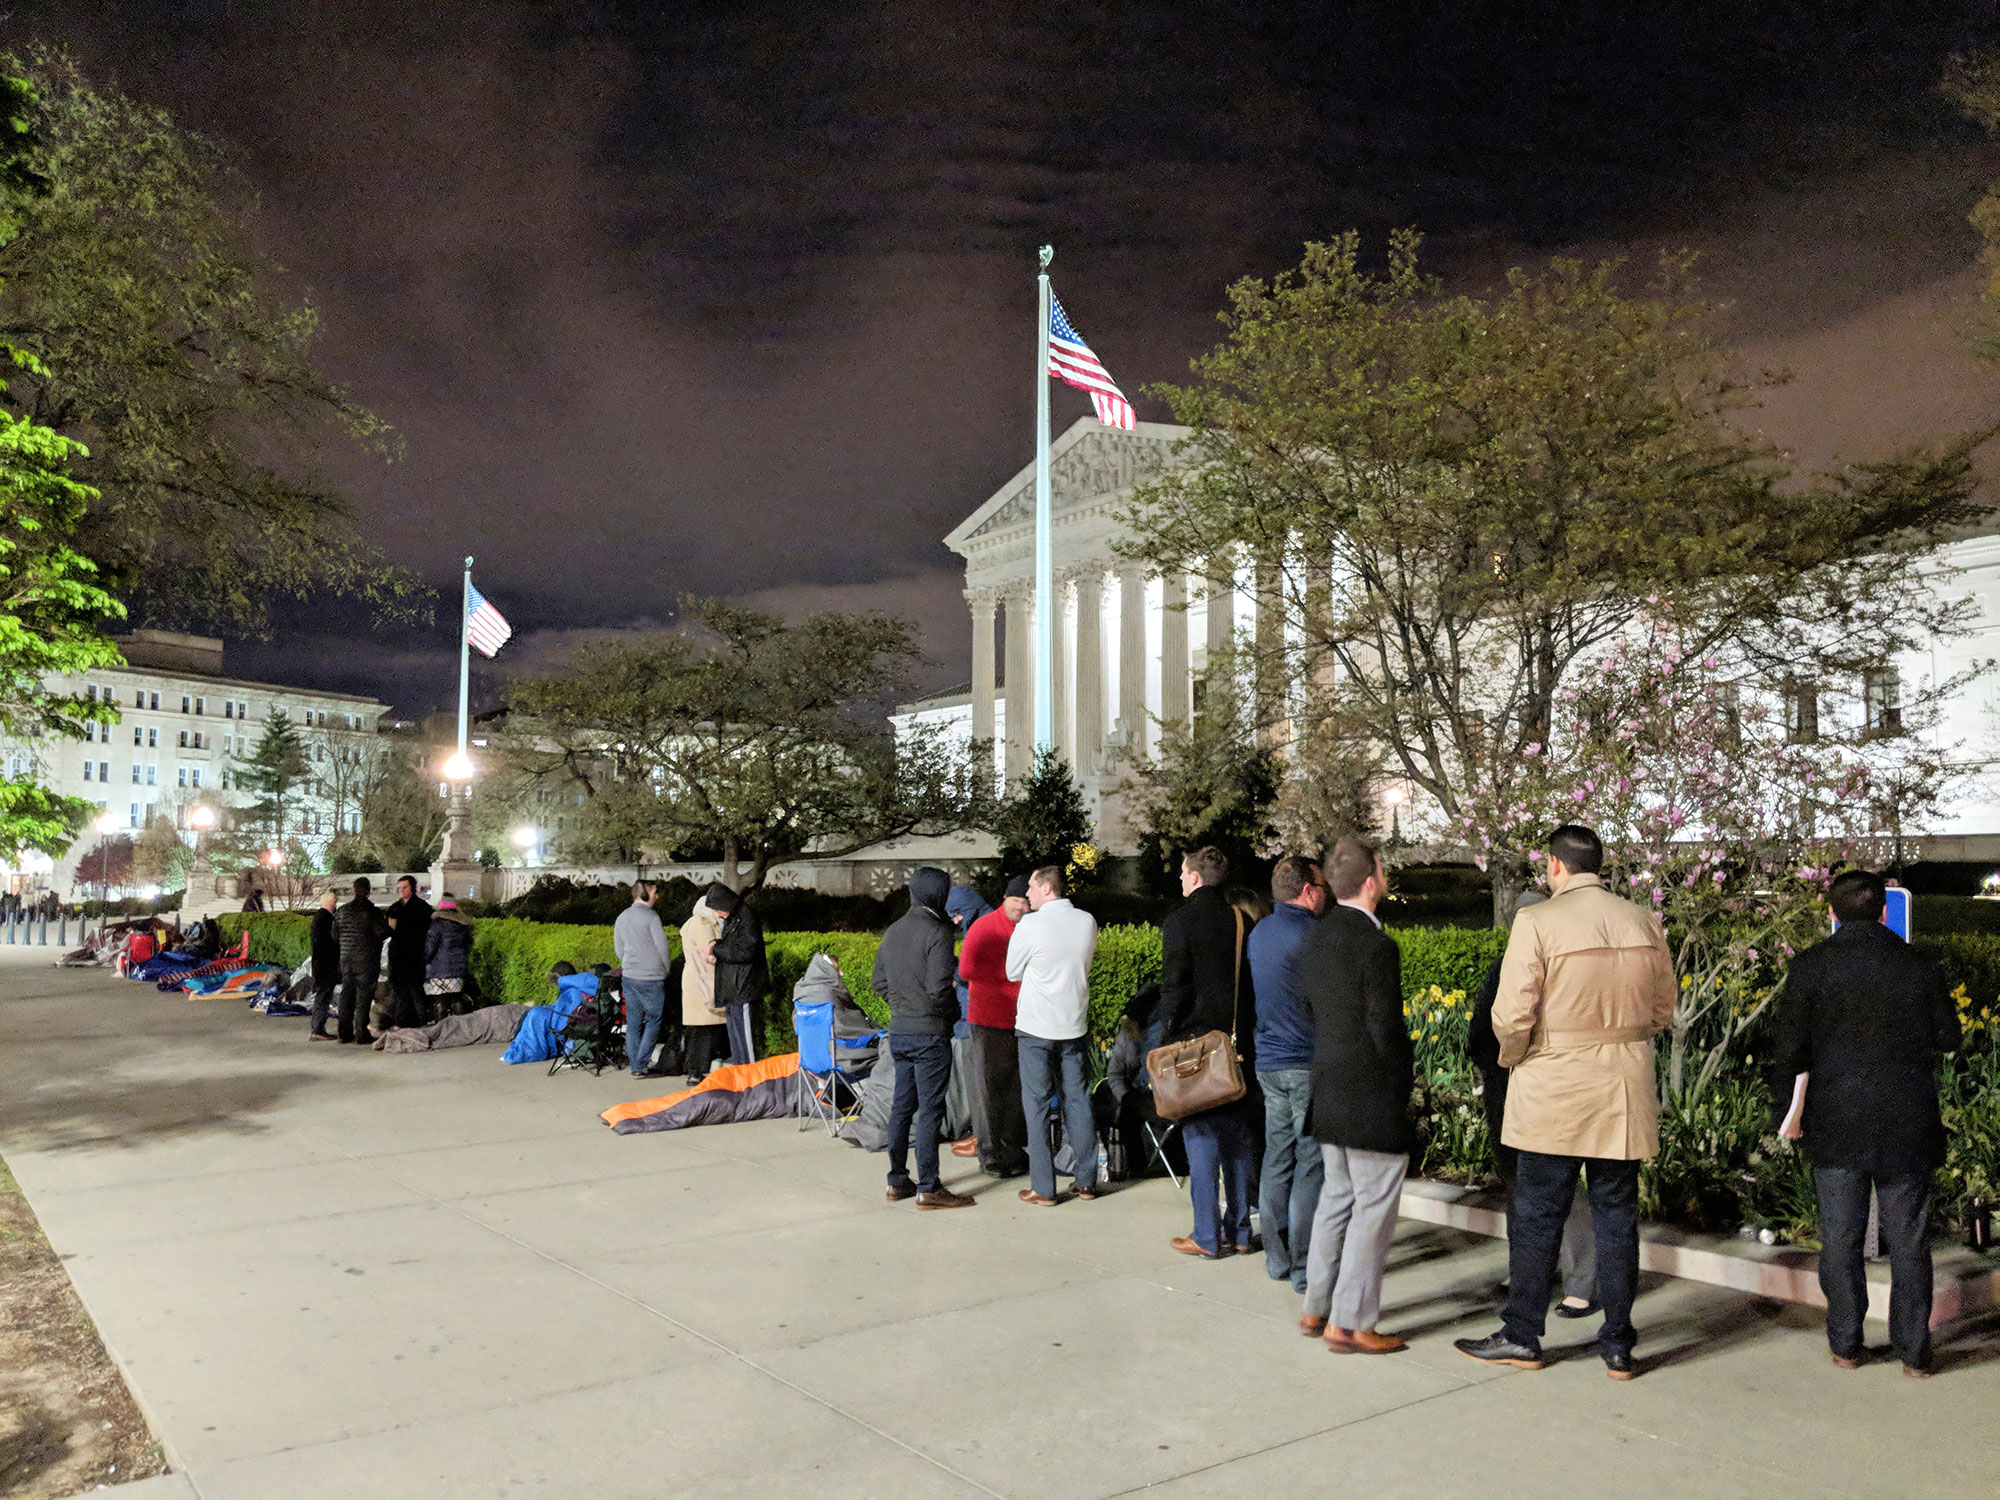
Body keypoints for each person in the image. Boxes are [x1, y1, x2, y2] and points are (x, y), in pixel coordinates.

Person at [1456, 824, 1677, 1381]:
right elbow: (1662, 1009)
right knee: (1617, 1216)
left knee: (1537, 1216)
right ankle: (1619, 1344)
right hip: (1622, 1086)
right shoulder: (1643, 921)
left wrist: (1516, 1057)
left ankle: (1522, 1334)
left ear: (1555, 866)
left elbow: (1509, 1016)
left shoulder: (1536, 921)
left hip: (1553, 1084)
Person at [1772, 869, 1959, 1376]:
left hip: (1835, 1118)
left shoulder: (1811, 967)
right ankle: (1915, 1353)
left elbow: (1788, 1049)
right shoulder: (1918, 965)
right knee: (1909, 1240)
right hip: (1907, 1118)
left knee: (1840, 1238)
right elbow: (1949, 1037)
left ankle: (1846, 1344)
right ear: (1882, 911)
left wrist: (1782, 1112)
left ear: (1831, 911)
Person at [1297, 836, 1411, 1354]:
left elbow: (1308, 1010)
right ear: (1371, 881)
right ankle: (1351, 1322)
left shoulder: (1315, 938)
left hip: (1327, 1084)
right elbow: (1384, 1028)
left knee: (1337, 1198)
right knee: (1374, 1206)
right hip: (1369, 1091)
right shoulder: (1377, 946)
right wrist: (1404, 1083)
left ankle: (1316, 1306)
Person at [1469, 888, 1599, 1317]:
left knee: (1560, 1185)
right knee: (1521, 1186)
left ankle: (1578, 1279)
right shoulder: (1501, 971)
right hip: (1509, 1094)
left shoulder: (1566, 972)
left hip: (1549, 1092)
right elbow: (1481, 1037)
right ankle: (1531, 1274)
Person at [1161, 845, 1260, 1259]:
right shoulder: (1241, 921)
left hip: (1194, 1046)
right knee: (1237, 1138)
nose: (1181, 880)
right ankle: (1239, 1231)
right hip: (1236, 1045)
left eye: (1184, 874)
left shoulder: (1179, 922)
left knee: (1200, 1138)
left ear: (1196, 877)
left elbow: (1175, 987)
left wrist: (1167, 1033)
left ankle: (1206, 1234)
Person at [871, 866, 976, 1209]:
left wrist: (902, 1006)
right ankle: (929, 1186)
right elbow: (938, 990)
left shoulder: (893, 931)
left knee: (902, 1106)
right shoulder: (938, 931)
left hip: (900, 1031)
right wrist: (951, 1014)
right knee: (930, 1111)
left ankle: (897, 1180)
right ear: (941, 894)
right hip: (930, 1034)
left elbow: (879, 983)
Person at [1248, 854, 1326, 1291]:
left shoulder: (1260, 933)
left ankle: (1277, 1260)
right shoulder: (1314, 936)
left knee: (1277, 1158)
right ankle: (1304, 1266)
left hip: (1269, 1062)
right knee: (1311, 1164)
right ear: (1308, 890)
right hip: (1305, 1062)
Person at [1006, 864, 1101, 1206]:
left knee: (1037, 1105)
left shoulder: (1031, 924)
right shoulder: (1086, 921)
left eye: (1031, 887)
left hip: (1035, 1027)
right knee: (1078, 1100)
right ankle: (1087, 1180)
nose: (1026, 893)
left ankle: (1044, 1187)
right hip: (1073, 1023)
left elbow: (1012, 970)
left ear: (1046, 888)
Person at [955, 874, 1031, 1177]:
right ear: (1005, 898)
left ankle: (1011, 1149)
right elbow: (966, 969)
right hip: (987, 1020)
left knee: (1014, 1088)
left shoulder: (1028, 928)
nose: (1022, 907)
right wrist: (1004, 976)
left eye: (1026, 901)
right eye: (1017, 900)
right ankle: (991, 1155)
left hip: (1021, 1019)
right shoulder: (984, 927)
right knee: (987, 1089)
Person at [615, 880, 673, 1079]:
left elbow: (619, 949)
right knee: (653, 1020)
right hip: (652, 977)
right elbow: (662, 948)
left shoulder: (622, 917)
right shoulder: (652, 917)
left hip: (630, 976)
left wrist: (629, 963)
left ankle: (635, 1064)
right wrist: (666, 969)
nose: (657, 896)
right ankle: (640, 1064)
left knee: (633, 1022)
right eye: (655, 892)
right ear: (646, 895)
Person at [707, 883, 767, 1066]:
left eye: (718, 909)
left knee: (745, 1037)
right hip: (735, 986)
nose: (717, 914)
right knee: (736, 1035)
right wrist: (717, 946)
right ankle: (741, 1071)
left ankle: (749, 1075)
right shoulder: (735, 917)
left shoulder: (746, 918)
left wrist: (716, 948)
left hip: (743, 985)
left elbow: (745, 952)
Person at [332, 877, 390, 1046]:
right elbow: (382, 933)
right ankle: (361, 1033)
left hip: (346, 959)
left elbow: (335, 936)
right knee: (363, 998)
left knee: (346, 995)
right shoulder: (373, 912)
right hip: (367, 960)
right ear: (368, 891)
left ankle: (343, 1033)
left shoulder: (342, 911)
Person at [679, 889, 727, 1083]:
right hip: (703, 979)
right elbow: (709, 953)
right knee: (703, 1028)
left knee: (701, 1028)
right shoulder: (703, 924)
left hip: (696, 979)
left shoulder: (697, 922)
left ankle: (693, 1068)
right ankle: (695, 1071)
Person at [385, 875, 433, 1030]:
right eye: (399, 887)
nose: (401, 890)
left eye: (404, 887)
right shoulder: (395, 907)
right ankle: (402, 1021)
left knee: (416, 991)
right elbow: (388, 929)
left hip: (413, 957)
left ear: (412, 888)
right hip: (397, 958)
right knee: (400, 993)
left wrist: (399, 926)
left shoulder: (422, 908)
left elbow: (420, 931)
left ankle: (422, 1021)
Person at [424, 893, 475, 1009]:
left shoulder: (437, 924)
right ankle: (458, 1023)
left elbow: (430, 947)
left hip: (440, 969)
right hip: (459, 969)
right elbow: (469, 945)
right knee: (456, 997)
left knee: (441, 1000)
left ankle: (442, 1024)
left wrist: (425, 961)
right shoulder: (463, 925)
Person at [307, 888, 340, 1041]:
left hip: (320, 965)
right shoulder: (325, 919)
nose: (336, 904)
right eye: (335, 901)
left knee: (322, 995)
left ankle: (318, 1028)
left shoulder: (319, 918)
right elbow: (328, 943)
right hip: (326, 966)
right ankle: (318, 1029)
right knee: (323, 996)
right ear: (331, 903)